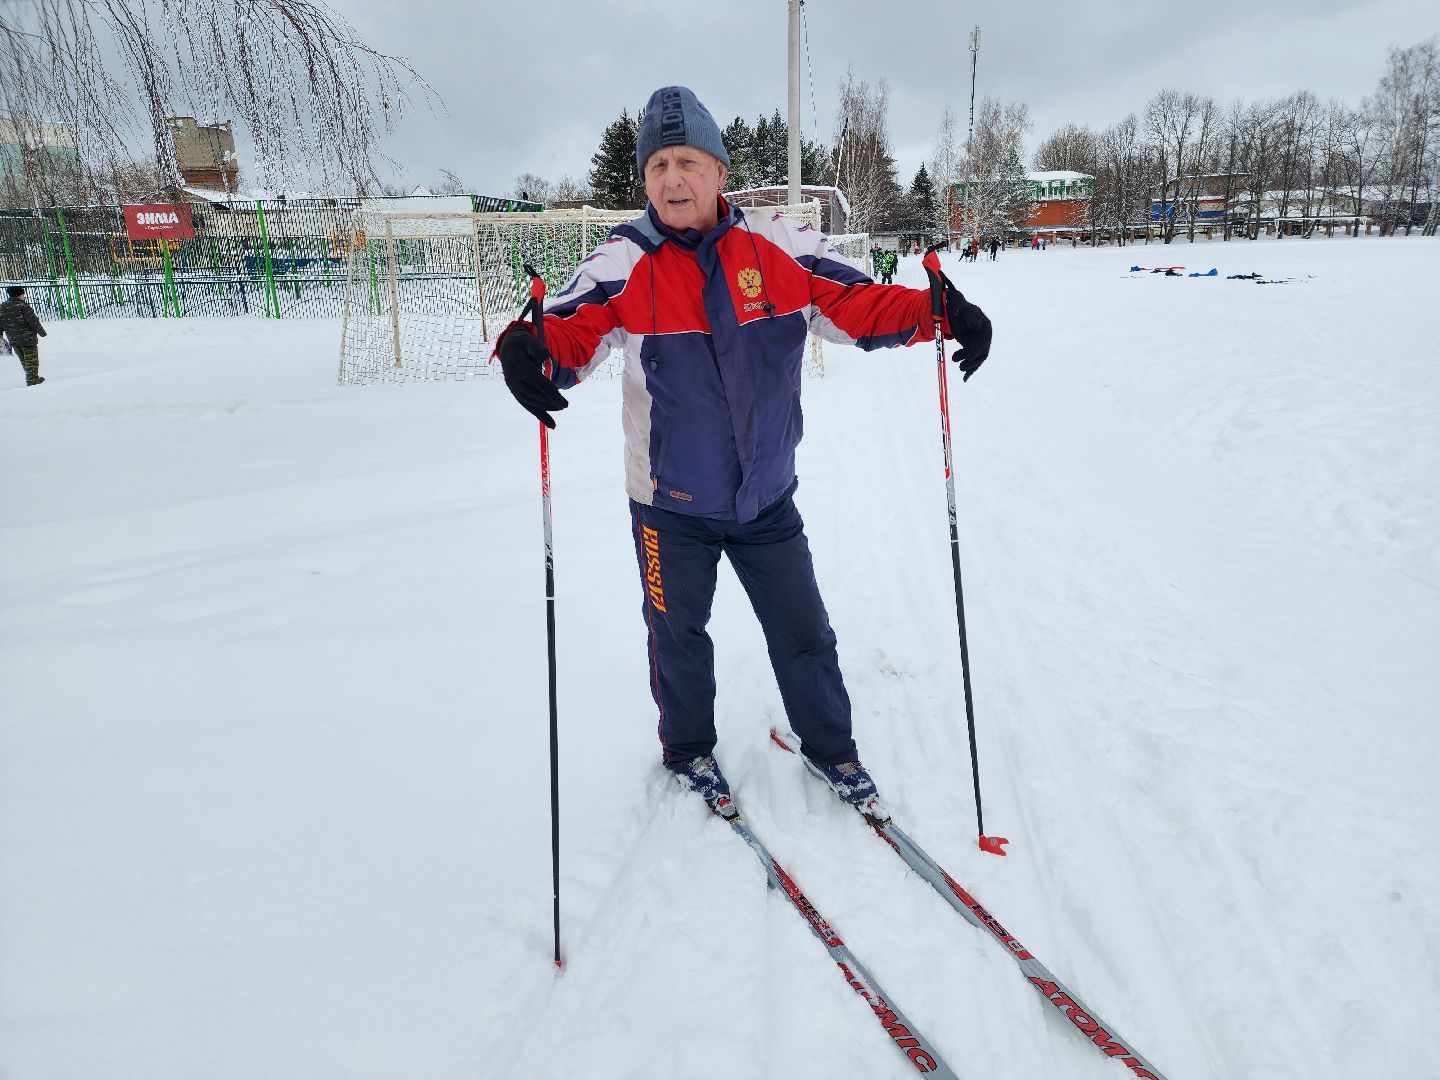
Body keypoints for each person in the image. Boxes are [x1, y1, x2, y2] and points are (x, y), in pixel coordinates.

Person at [496, 86, 992, 822]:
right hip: (669, 504)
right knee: (678, 638)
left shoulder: (778, 245)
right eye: (658, 165)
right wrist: (525, 350)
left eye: (688, 161)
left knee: (803, 632)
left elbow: (856, 303)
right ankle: (687, 748)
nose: (672, 180)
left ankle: (832, 749)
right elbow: (564, 328)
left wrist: (936, 313)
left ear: (719, 172)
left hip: (766, 498)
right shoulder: (622, 261)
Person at [2, 285, 47, 386]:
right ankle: (32, 380)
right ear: (18, 295)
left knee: (24, 361)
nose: (24, 296)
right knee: (32, 360)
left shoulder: (2, 306)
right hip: (28, 339)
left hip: (13, 340)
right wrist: (42, 332)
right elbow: (33, 321)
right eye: (22, 294)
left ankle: (32, 377)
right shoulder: (23, 306)